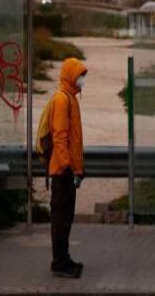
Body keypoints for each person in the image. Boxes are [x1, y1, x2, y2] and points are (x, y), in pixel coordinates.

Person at [48, 57, 87, 278]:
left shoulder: (71, 98)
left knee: (66, 218)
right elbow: (60, 138)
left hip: (69, 170)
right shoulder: (62, 100)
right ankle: (59, 263)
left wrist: (78, 169)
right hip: (62, 171)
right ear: (71, 76)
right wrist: (66, 167)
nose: (82, 80)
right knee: (61, 219)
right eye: (80, 75)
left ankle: (64, 258)